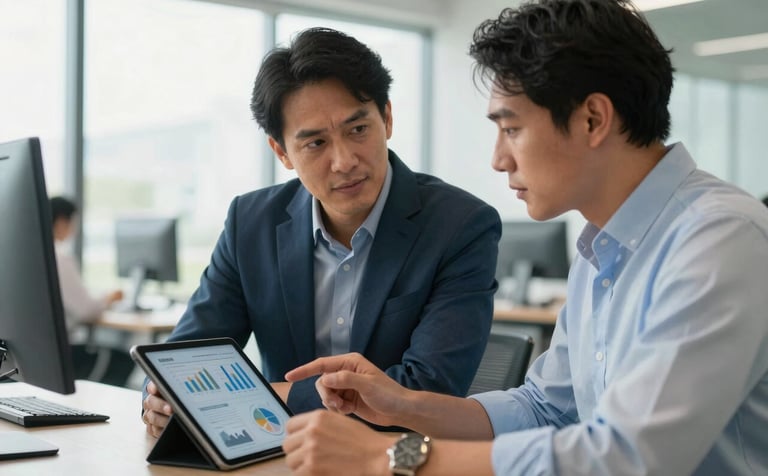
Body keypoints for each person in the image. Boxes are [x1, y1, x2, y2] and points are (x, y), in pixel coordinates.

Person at [280, 1, 768, 475]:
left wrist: (382, 458)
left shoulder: (719, 240)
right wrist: (403, 405)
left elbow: (627, 457)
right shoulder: (603, 250)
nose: (499, 159)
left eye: (511, 129)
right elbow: (544, 409)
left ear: (593, 119)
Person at [140, 28, 501, 436]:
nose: (344, 161)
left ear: (387, 118)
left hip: (399, 458)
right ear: (281, 152)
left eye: (358, 130)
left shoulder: (460, 225)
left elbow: (427, 388)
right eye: (315, 143)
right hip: (283, 458)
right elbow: (183, 361)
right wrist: (159, 397)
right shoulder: (251, 222)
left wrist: (275, 396)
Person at [50, 196, 135, 387]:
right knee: (124, 360)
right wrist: (109, 298)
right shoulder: (59, 259)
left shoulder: (33, 256)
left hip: (39, 352)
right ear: (63, 221)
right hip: (62, 353)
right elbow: (86, 310)